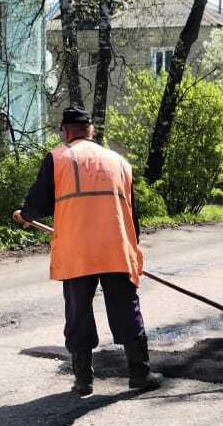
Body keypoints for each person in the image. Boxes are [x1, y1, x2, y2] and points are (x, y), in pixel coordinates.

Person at [13, 106, 161, 396]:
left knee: (78, 313)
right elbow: (132, 213)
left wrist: (26, 215)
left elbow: (39, 201)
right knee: (126, 308)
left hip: (77, 250)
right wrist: (132, 248)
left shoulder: (58, 158)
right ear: (91, 130)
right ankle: (140, 374)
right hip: (116, 248)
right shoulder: (119, 161)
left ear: (66, 132)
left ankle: (83, 381)